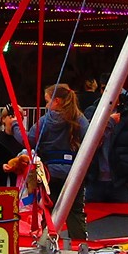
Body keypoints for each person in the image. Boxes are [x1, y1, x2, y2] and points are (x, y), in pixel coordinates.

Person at [36, 84, 88, 241]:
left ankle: (47, 242)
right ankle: (79, 243)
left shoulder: (46, 120)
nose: (46, 106)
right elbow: (90, 140)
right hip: (73, 172)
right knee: (75, 212)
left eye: (47, 101)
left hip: (51, 173)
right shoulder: (79, 119)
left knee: (49, 211)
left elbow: (31, 139)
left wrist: (15, 126)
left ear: (57, 101)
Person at [87, 91, 128, 204]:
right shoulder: (91, 112)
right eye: (104, 89)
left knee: (120, 215)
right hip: (94, 180)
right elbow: (84, 142)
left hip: (121, 182)